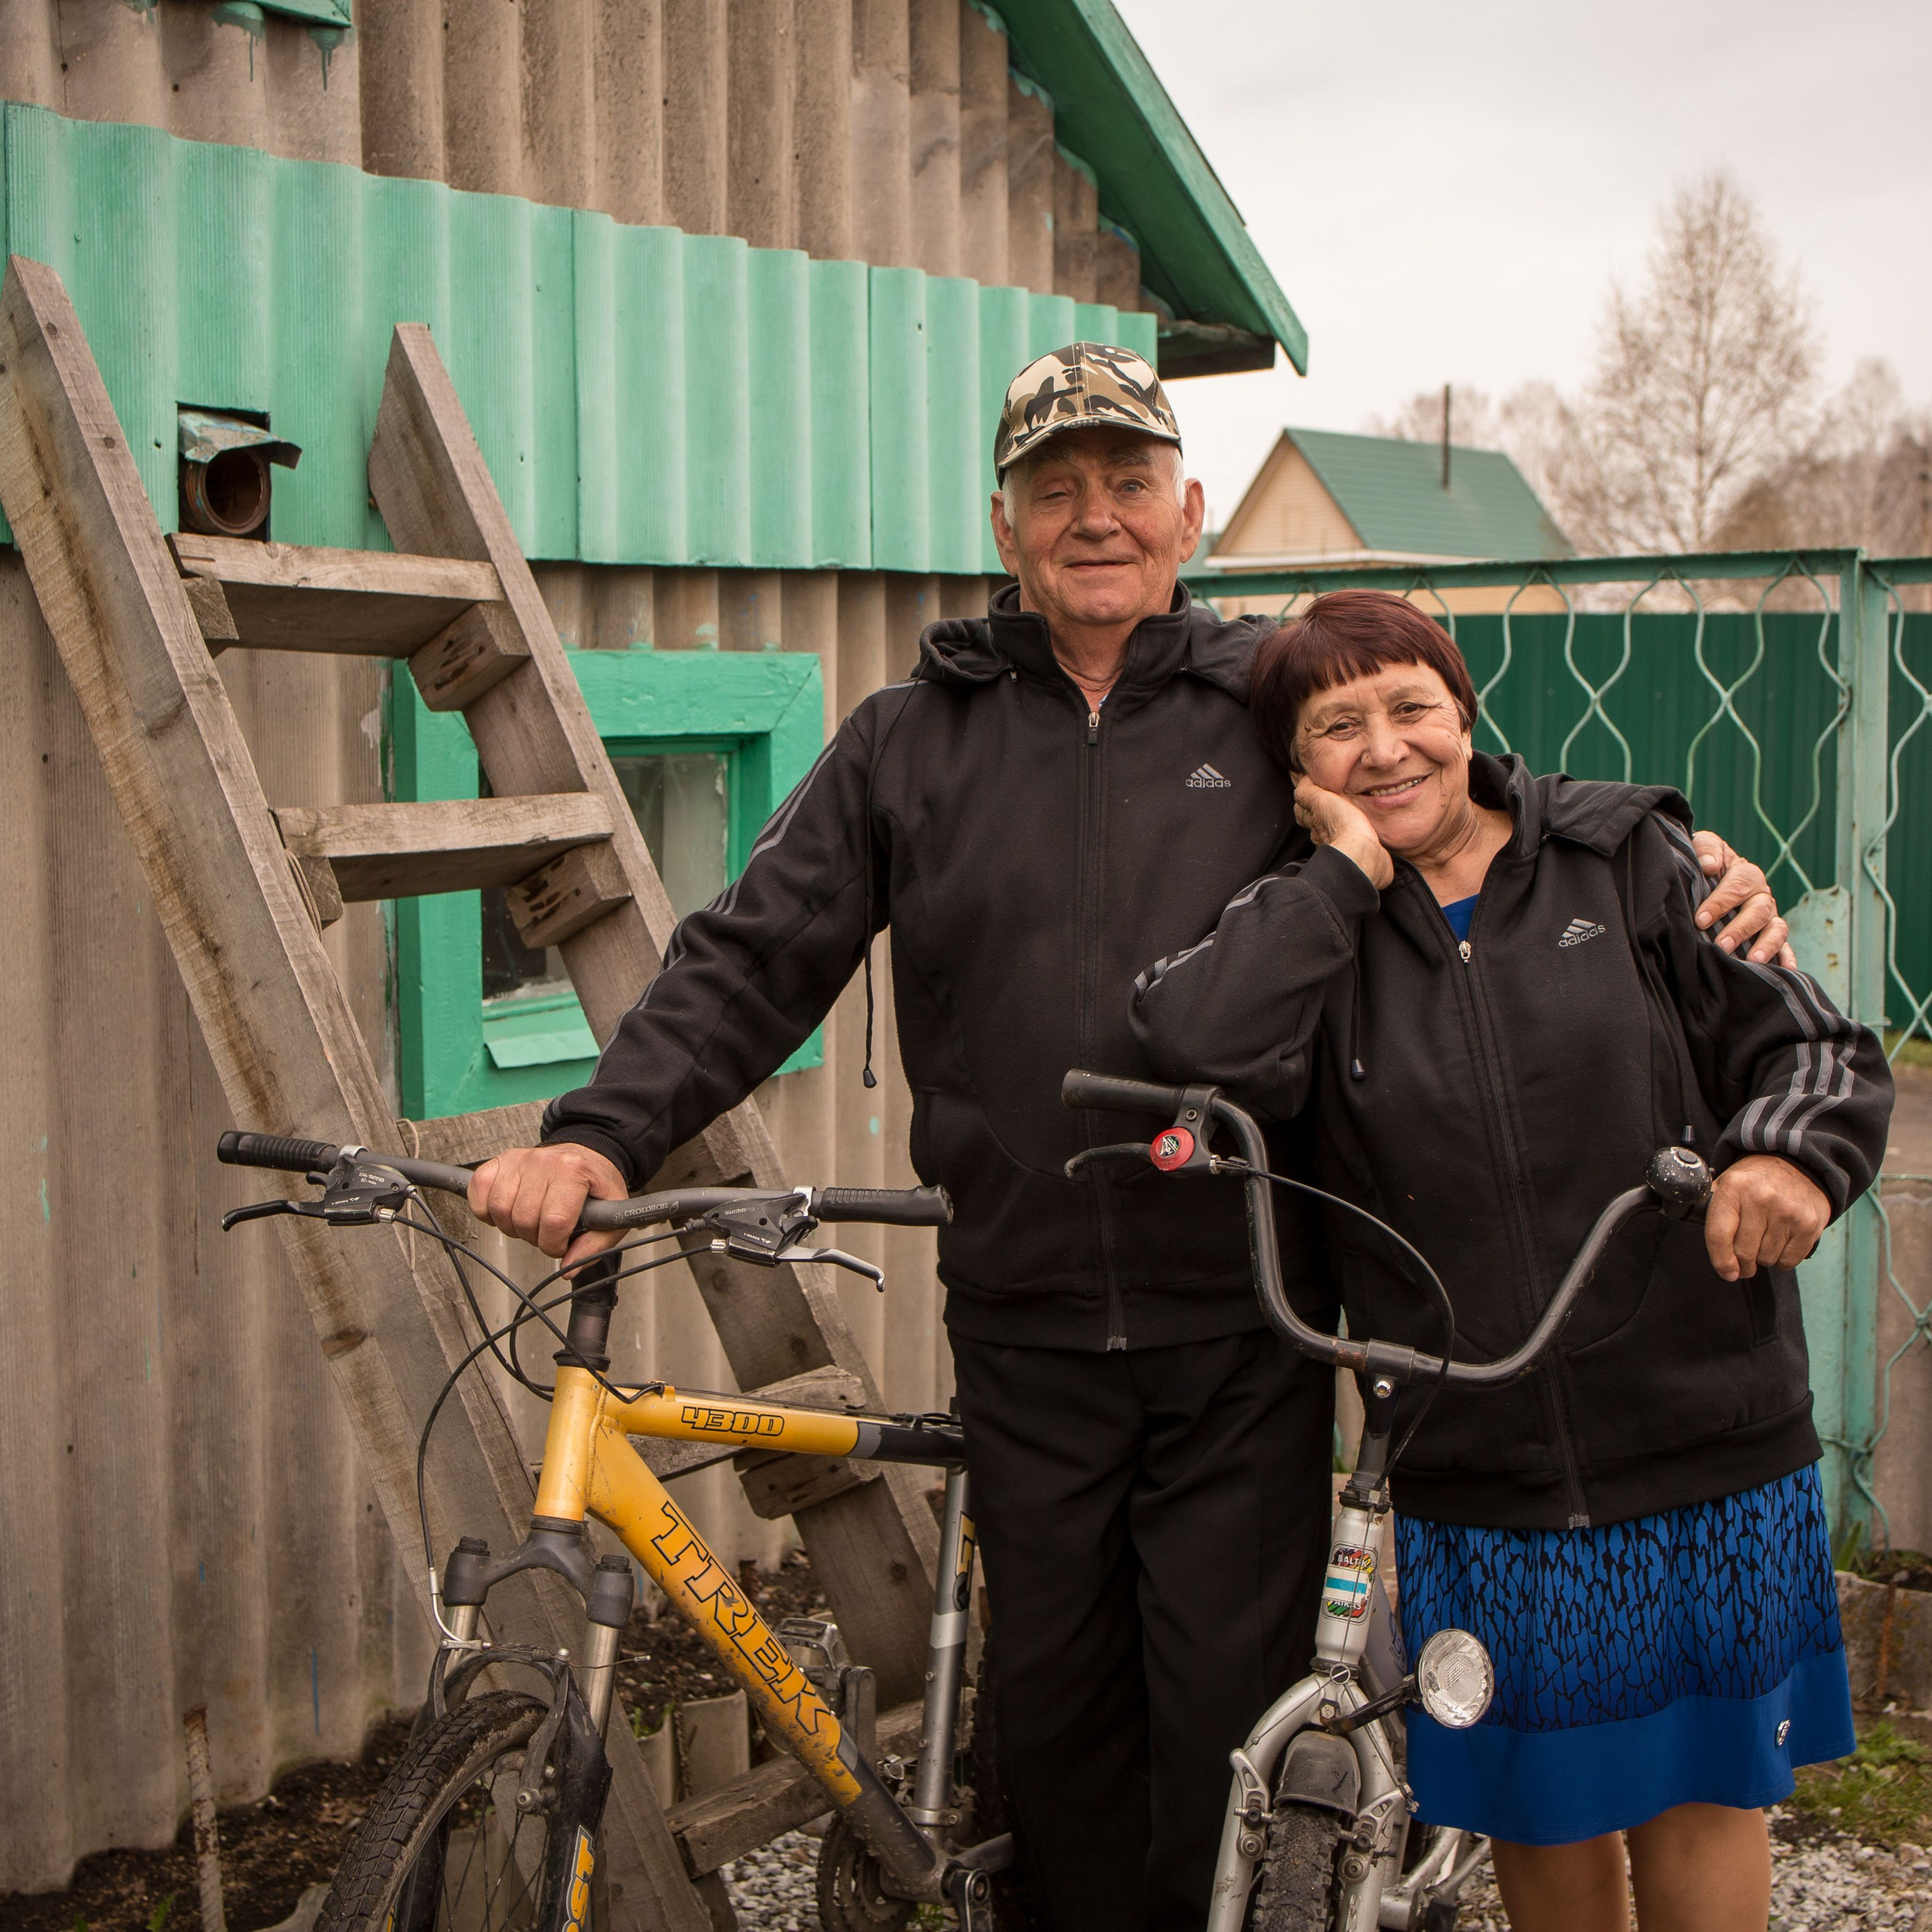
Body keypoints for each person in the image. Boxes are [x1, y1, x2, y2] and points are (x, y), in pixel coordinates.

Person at [466, 353, 1791, 1930]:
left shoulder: (1269, 706)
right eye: (1052, 487)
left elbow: (1447, 792)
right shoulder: (909, 741)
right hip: (1024, 1327)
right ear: (1004, 525)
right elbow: (752, 952)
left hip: (1239, 1324)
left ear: (1186, 509)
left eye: (1123, 481)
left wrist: (1677, 851)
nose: (1091, 515)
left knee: (1226, 1753)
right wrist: (602, 1132)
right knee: (1062, 1747)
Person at [1129, 589, 1891, 1932]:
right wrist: (1346, 876)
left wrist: (1784, 1157)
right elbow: (1194, 1041)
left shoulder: (1631, 859)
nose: (1384, 747)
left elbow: (1811, 1047)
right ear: (1299, 776)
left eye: (1410, 706)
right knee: (1538, 1805)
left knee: (1703, 1801)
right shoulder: (1306, 922)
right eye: (1336, 728)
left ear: (1466, 712)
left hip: (1700, 1431)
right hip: (1479, 1466)